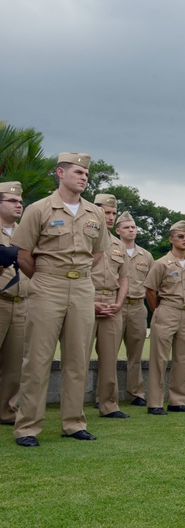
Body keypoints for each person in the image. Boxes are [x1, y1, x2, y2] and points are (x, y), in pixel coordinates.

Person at [11, 152, 108, 447]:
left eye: (86, 174)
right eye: (78, 172)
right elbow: (23, 253)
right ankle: (27, 427)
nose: (83, 177)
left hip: (82, 287)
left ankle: (74, 423)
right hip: (46, 286)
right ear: (60, 173)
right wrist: (46, 276)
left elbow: (99, 253)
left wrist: (75, 276)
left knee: (78, 360)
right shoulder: (39, 209)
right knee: (37, 360)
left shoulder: (95, 214)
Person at [143, 220, 185, 415]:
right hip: (166, 310)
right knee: (159, 359)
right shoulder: (161, 264)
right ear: (171, 239)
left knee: (182, 358)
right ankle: (155, 403)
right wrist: (157, 310)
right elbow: (150, 290)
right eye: (180, 236)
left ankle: (177, 401)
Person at [90, 194, 129, 419]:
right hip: (86, 299)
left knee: (109, 358)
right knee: (77, 358)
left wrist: (118, 303)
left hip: (113, 303)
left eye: (114, 213)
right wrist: (90, 301)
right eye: (107, 212)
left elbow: (124, 278)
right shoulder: (85, 237)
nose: (111, 217)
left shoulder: (118, 245)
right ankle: (71, 408)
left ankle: (109, 405)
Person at [116, 211, 154, 407]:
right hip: (116, 306)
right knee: (108, 352)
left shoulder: (145, 255)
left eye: (133, 227)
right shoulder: (110, 250)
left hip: (138, 306)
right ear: (118, 231)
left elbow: (152, 284)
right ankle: (104, 396)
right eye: (126, 227)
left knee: (136, 353)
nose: (131, 230)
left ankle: (136, 392)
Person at [0, 181, 29, 427]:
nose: (18, 204)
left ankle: (7, 412)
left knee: (14, 364)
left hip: (21, 304)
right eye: (12, 201)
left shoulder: (24, 234)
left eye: (20, 201)